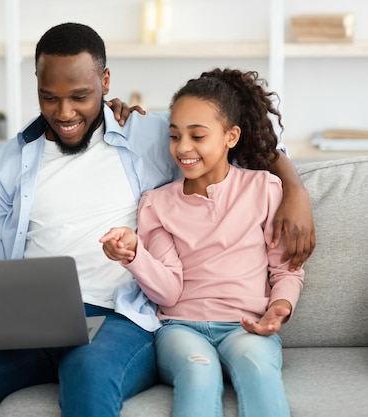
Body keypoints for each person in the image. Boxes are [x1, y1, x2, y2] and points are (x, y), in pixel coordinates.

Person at [0, 23, 314, 417]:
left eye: (80, 96)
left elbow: (238, 145)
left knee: (89, 373)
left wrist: (294, 190)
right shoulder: (5, 161)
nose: (64, 112)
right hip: (28, 320)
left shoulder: (151, 134)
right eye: (49, 97)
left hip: (116, 318)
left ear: (106, 82)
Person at [100, 68, 305, 417]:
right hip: (180, 329)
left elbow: (286, 270)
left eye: (197, 136)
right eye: (175, 135)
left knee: (257, 366)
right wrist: (135, 254)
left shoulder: (266, 190)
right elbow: (168, 293)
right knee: (199, 370)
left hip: (246, 326)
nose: (183, 148)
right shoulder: (156, 203)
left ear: (231, 136)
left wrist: (279, 307)